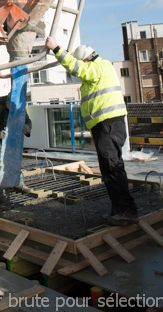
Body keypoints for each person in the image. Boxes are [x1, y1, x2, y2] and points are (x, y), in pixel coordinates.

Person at [46, 37, 138, 226]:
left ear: (86, 59)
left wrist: (56, 48)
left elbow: (76, 68)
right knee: (109, 168)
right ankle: (119, 209)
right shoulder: (99, 69)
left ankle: (127, 211)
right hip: (106, 126)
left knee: (112, 168)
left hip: (108, 125)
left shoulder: (99, 67)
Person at [0, 93, 32, 202]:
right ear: (6, 103)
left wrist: (27, 127)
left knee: (13, 154)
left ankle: (18, 183)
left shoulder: (19, 107)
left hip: (7, 127)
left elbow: (27, 121)